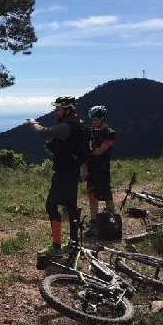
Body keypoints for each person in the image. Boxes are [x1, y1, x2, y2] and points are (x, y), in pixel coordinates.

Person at [26, 96, 89, 257]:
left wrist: (34, 123)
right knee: (70, 207)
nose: (55, 111)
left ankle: (56, 246)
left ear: (68, 110)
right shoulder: (78, 124)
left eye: (58, 109)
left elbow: (43, 132)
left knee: (51, 206)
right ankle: (74, 243)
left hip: (64, 173)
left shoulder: (66, 126)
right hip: (72, 171)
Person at [84, 105, 117, 237]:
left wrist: (86, 150)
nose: (93, 122)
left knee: (107, 196)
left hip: (102, 169)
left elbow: (100, 151)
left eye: (96, 120)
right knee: (92, 197)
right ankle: (94, 222)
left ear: (102, 118)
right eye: (92, 120)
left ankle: (113, 222)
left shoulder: (110, 133)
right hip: (92, 169)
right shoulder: (91, 131)